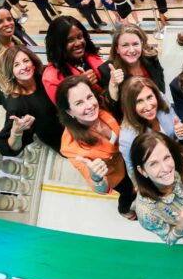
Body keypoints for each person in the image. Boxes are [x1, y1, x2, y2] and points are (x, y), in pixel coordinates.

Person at [56, 76, 136, 220]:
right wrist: (97, 177)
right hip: (115, 174)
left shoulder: (101, 109)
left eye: (89, 97)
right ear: (69, 112)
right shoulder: (71, 147)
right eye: (79, 103)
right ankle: (123, 210)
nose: (89, 106)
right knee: (128, 192)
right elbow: (100, 189)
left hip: (127, 158)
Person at [0, 46, 64, 155]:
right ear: (11, 72)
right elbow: (8, 148)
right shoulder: (17, 105)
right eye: (16, 65)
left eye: (26, 61)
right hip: (66, 145)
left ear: (33, 63)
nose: (24, 67)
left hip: (83, 126)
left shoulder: (45, 75)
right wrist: (16, 132)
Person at [117, 77, 183, 177]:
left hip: (177, 157)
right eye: (139, 101)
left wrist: (182, 131)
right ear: (130, 106)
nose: (148, 106)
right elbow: (133, 171)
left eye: (149, 97)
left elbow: (178, 126)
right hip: (160, 175)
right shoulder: (127, 138)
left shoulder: (161, 99)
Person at [98, 24, 165, 110]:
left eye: (135, 44)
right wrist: (113, 85)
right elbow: (113, 108)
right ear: (117, 49)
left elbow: (160, 77)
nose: (132, 50)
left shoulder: (151, 57)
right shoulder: (107, 71)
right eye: (125, 45)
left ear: (142, 44)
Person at [42, 16, 105, 104]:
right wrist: (81, 85)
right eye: (70, 40)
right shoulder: (52, 77)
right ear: (57, 44)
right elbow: (65, 110)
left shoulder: (90, 55)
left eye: (80, 37)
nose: (78, 43)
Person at [0, 6, 36, 91]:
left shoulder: (13, 39)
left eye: (9, 19)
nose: (7, 24)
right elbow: (6, 87)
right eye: (0, 22)